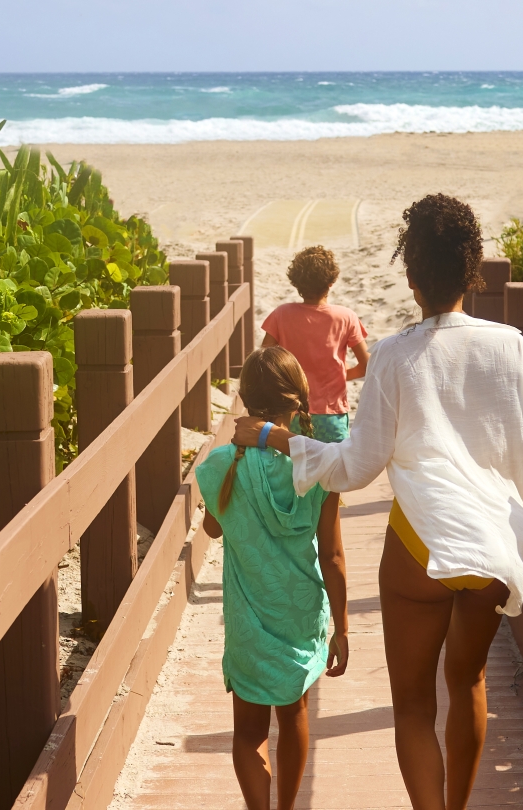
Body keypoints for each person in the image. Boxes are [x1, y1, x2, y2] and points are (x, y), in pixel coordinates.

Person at [232, 195, 523, 810]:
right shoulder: (514, 349)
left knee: (412, 703)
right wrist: (512, 531)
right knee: (470, 681)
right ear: (473, 271)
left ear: (411, 281)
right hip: (492, 547)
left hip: (418, 543)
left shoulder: (396, 356)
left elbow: (355, 467)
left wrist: (279, 437)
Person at [199, 346, 350, 810]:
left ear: (243, 399)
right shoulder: (316, 468)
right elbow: (334, 555)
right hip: (301, 610)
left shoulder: (222, 463)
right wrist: (341, 627)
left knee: (247, 732)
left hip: (247, 615)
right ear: (299, 400)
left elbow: (211, 526)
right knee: (295, 712)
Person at [262, 245, 371, 446]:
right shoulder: (346, 317)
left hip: (290, 414)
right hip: (331, 415)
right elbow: (366, 365)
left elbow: (262, 363)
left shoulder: (281, 314)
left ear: (296, 282)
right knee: (333, 470)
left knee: (294, 470)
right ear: (332, 282)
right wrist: (340, 374)